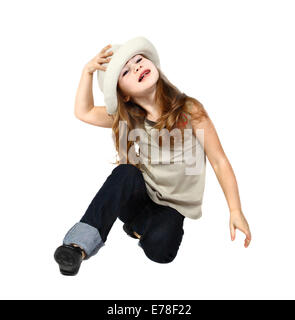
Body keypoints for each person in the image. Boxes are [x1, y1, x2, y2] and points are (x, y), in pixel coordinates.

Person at [54, 36, 252, 276]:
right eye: (125, 71)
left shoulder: (190, 110)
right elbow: (83, 112)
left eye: (138, 60)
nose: (136, 66)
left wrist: (235, 210)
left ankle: (139, 228)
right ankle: (77, 247)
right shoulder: (130, 117)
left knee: (160, 252)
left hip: (173, 206)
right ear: (124, 95)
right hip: (141, 195)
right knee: (125, 173)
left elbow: (219, 161)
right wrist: (87, 72)